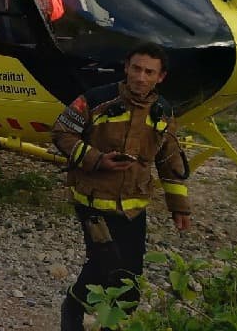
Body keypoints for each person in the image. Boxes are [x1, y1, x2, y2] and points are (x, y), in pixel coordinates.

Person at [52, 42, 191, 331]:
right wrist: (97, 159)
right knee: (105, 265)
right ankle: (73, 309)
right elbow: (62, 131)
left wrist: (179, 207)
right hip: (93, 202)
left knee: (131, 277)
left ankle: (112, 325)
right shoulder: (96, 100)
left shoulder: (163, 113)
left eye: (149, 72)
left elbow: (169, 159)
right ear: (126, 67)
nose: (141, 77)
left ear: (160, 77)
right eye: (136, 69)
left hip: (133, 207)